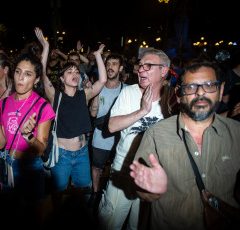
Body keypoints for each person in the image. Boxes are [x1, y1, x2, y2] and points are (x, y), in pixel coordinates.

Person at [129, 60, 240, 230]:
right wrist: (152, 191)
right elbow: (141, 190)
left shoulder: (236, 133)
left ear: (221, 91)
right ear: (178, 94)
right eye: (191, 87)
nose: (200, 93)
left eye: (209, 85)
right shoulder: (156, 134)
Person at [0, 28, 55, 229]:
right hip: (9, 164)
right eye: (18, 72)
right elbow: (1, 144)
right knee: (13, 217)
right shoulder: (3, 104)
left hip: (31, 168)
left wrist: (28, 135)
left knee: (34, 218)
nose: (21, 78)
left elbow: (39, 150)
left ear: (36, 79)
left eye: (28, 74)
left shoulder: (43, 106)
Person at [98, 49, 175, 230]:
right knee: (110, 224)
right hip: (123, 172)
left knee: (138, 226)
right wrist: (142, 111)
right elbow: (111, 126)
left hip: (152, 177)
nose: (141, 70)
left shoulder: (173, 98)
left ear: (163, 71)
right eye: (140, 66)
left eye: (148, 66)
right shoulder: (128, 93)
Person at [35, 27, 107, 216]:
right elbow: (42, 73)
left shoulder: (84, 95)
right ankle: (58, 216)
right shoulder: (55, 95)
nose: (74, 73)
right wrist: (45, 46)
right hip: (62, 155)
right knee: (58, 192)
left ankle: (75, 217)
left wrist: (98, 55)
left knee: (80, 190)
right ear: (61, 77)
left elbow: (102, 81)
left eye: (76, 71)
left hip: (82, 153)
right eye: (69, 71)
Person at [88, 53, 126, 209]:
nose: (110, 67)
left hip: (119, 139)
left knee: (117, 169)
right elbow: (93, 113)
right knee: (96, 167)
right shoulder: (99, 88)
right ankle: (95, 192)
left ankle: (111, 195)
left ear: (121, 68)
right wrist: (96, 92)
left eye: (114, 64)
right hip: (100, 137)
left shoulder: (127, 90)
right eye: (108, 64)